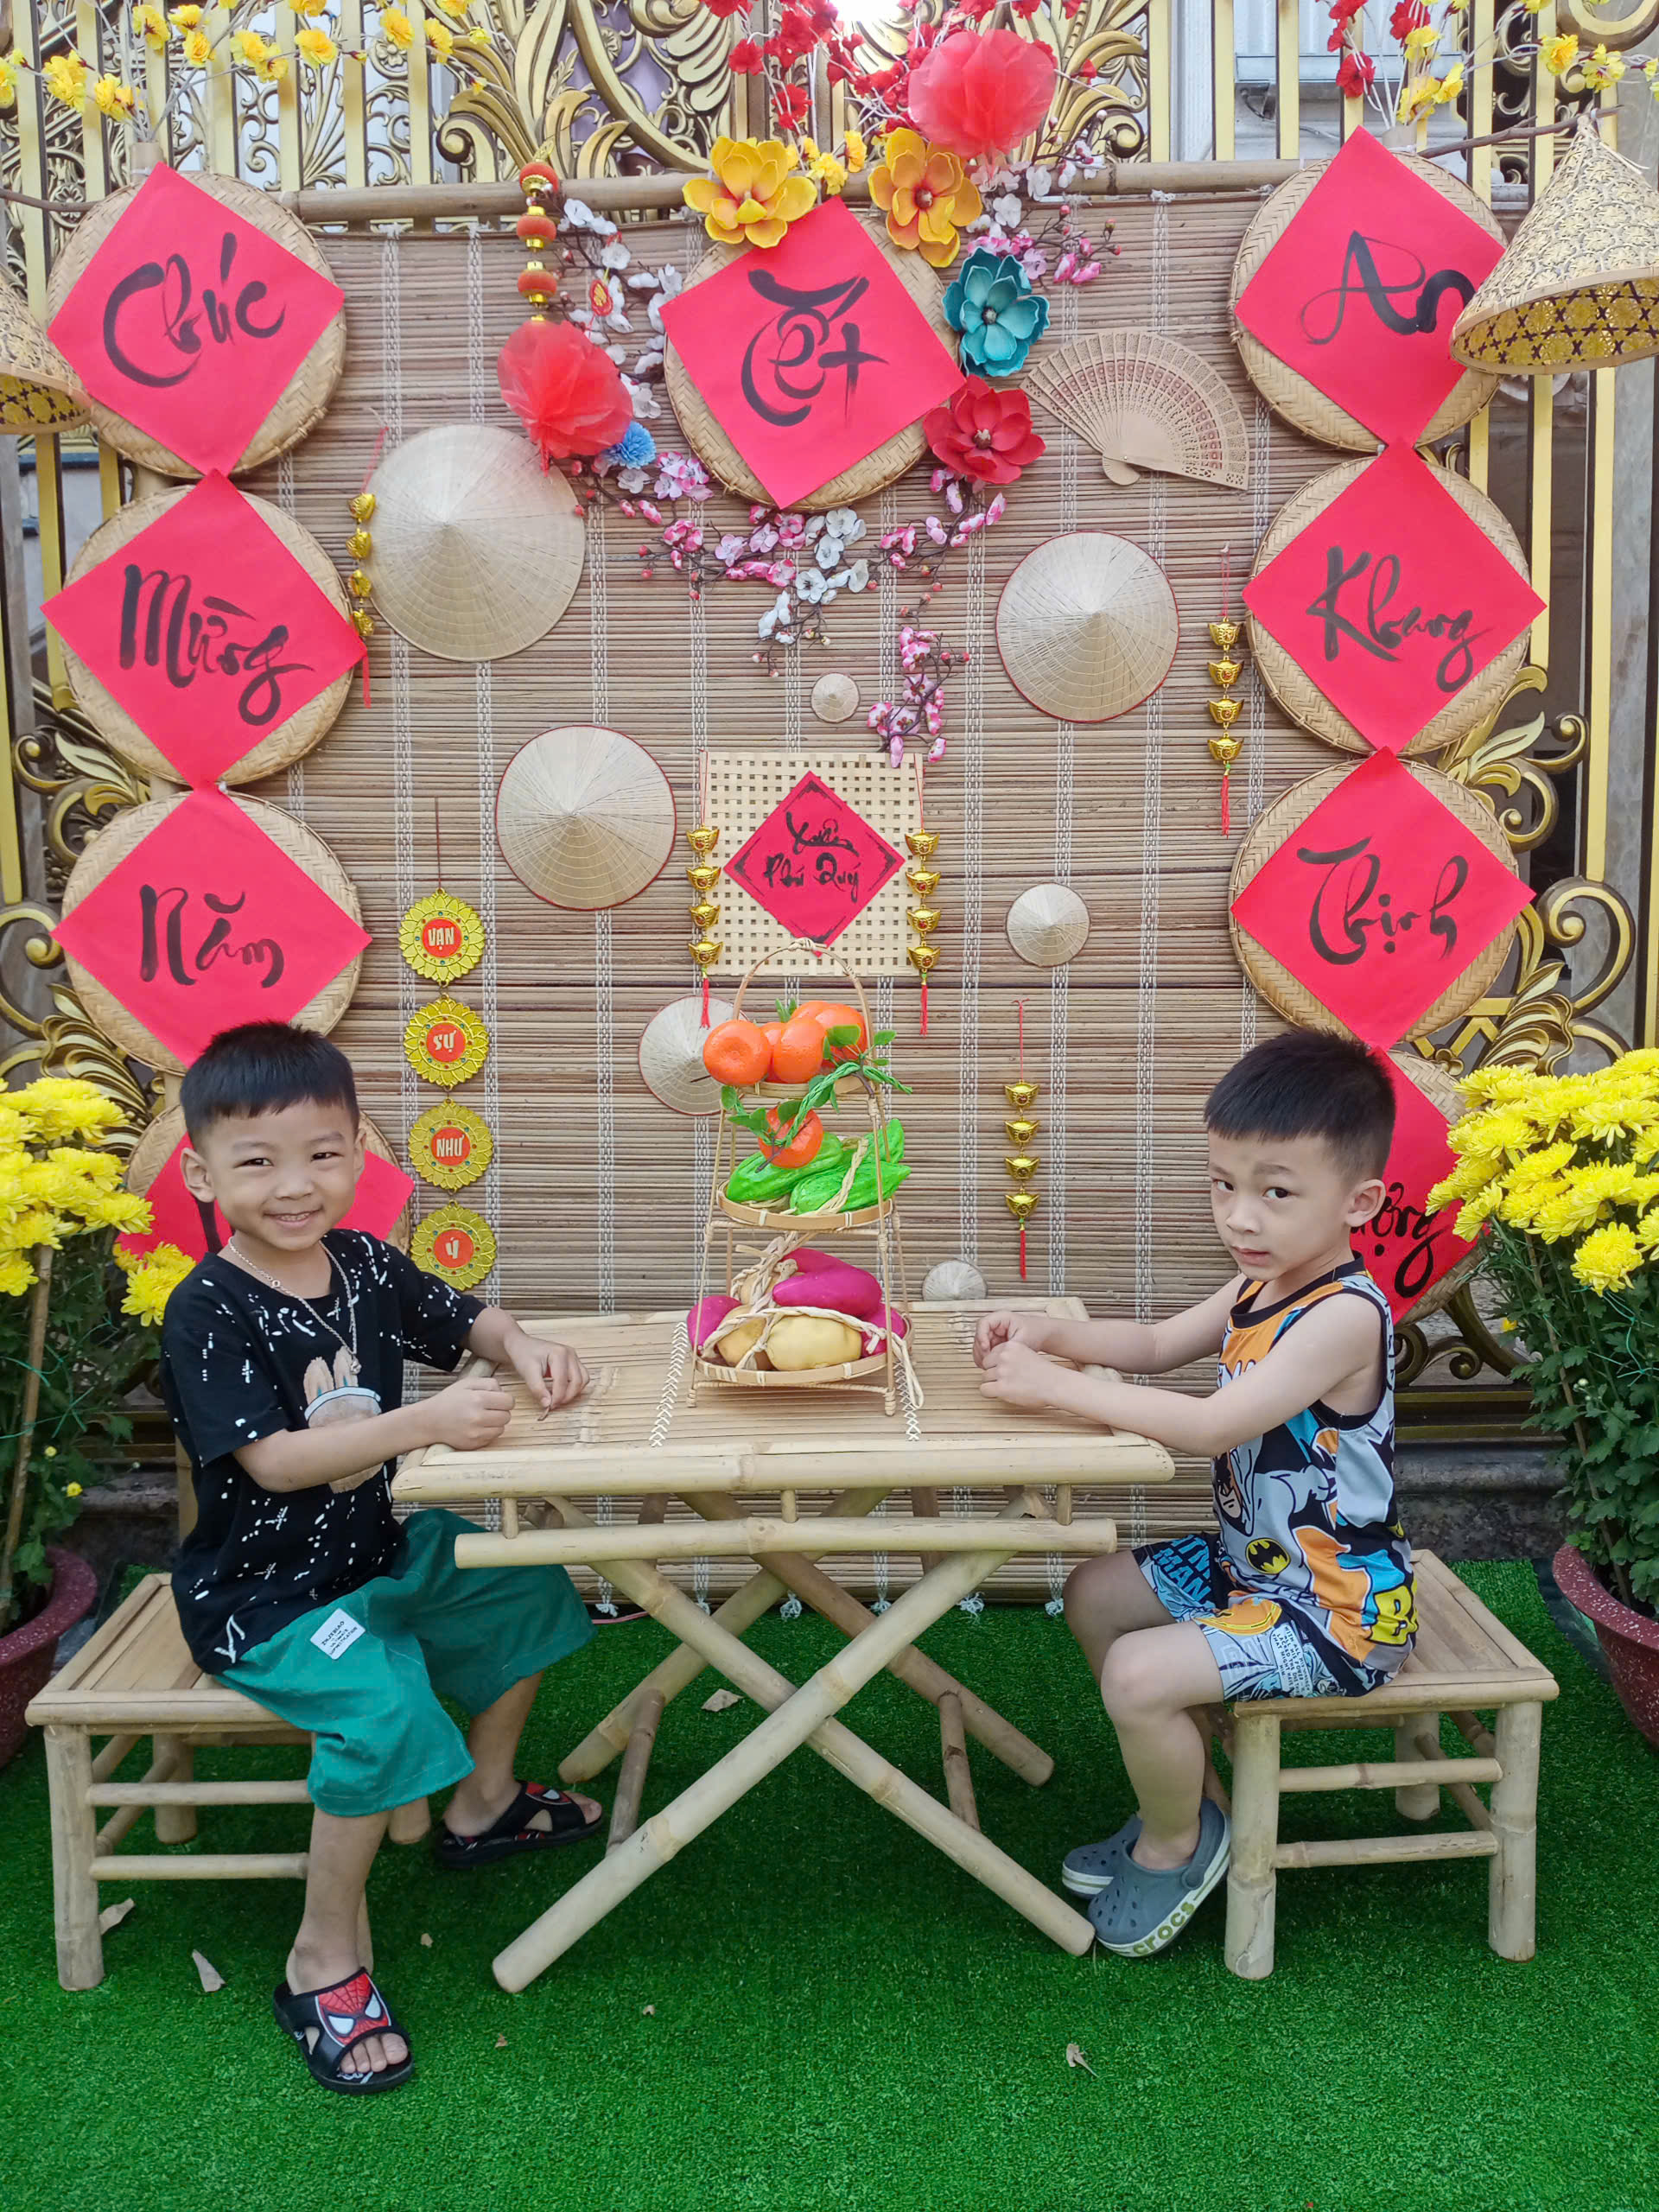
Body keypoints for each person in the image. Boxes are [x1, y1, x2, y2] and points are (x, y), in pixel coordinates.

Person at [162, 1021, 601, 2094]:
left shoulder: (362, 1261)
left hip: (379, 1548)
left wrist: (522, 1342)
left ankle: (480, 1805)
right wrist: (428, 1423)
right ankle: (320, 1960)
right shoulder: (207, 1308)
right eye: (257, 1161)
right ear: (201, 1173)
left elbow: (464, 1318)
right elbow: (274, 1463)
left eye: (322, 1153)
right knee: (383, 1707)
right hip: (267, 1600)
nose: (294, 1185)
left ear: (359, 1152)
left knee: (523, 1580)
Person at [975, 1032, 1416, 1958]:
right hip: (1255, 1573)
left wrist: (1055, 1389)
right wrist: (1053, 1334)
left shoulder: (1343, 1315)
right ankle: (1196, 1796)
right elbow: (1152, 1344)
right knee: (1096, 1592)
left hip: (1339, 1610)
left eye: (1275, 1191)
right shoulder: (1261, 1281)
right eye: (1223, 1184)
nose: (1240, 1217)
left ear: (1359, 1201)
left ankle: (1176, 1844)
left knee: (1137, 1675)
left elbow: (1214, 1426)